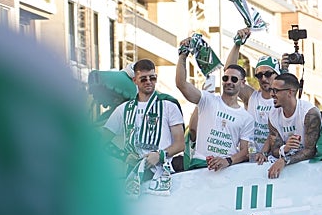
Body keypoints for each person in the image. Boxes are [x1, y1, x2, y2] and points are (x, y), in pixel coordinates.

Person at [102, 58, 185, 194]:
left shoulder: (168, 105)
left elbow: (180, 144)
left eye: (152, 78)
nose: (148, 82)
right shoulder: (124, 109)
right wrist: (124, 156)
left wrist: (159, 155)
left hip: (163, 172)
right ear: (135, 80)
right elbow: (101, 141)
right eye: (143, 79)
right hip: (134, 174)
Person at [176, 45, 253, 171]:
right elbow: (181, 84)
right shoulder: (208, 99)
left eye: (234, 79)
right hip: (200, 167)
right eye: (225, 78)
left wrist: (227, 161)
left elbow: (245, 151)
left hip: (227, 171)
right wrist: (183, 55)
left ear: (243, 83)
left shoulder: (247, 118)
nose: (229, 82)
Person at [224, 28, 277, 157]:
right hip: (249, 157)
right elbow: (230, 72)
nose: (263, 78)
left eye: (268, 74)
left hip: (272, 158)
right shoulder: (251, 96)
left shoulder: (282, 100)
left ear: (277, 75)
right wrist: (237, 45)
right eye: (259, 75)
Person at [262, 73, 321, 179]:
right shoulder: (273, 114)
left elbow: (311, 151)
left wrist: (285, 160)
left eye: (276, 91)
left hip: (311, 171)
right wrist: (285, 149)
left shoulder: (309, 113)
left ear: (290, 92)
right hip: (290, 168)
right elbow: (275, 149)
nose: (272, 94)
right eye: (271, 90)